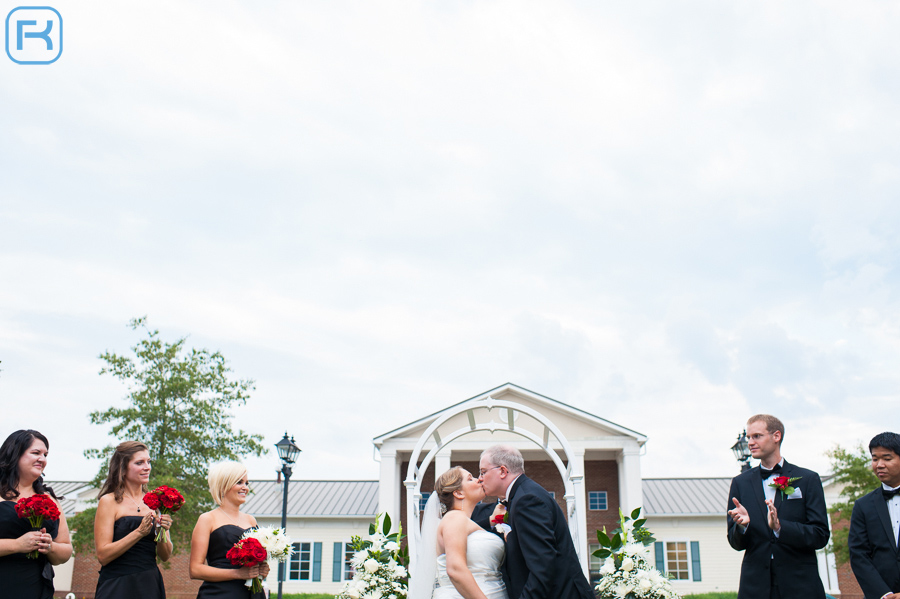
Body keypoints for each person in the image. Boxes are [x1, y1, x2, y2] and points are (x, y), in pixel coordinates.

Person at [726, 414, 829, 599]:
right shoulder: (740, 483)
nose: (750, 442)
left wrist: (781, 528)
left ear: (776, 436)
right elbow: (735, 544)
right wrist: (743, 526)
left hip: (801, 586)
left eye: (757, 436)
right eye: (749, 437)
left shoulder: (808, 479)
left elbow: (820, 535)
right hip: (755, 588)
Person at [477, 445, 594, 599]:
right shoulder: (522, 495)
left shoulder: (527, 500)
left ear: (503, 471)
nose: (479, 478)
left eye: (483, 472)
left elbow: (543, 565)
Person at [410, 466, 507, 599]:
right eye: (470, 479)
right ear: (459, 493)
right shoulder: (454, 517)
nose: (478, 479)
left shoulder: (463, 521)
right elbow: (455, 569)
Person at [94, 441, 173, 599]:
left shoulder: (156, 502)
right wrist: (138, 533)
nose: (147, 467)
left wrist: (162, 530)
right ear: (123, 468)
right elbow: (103, 555)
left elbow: (165, 556)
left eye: (148, 462)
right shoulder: (109, 501)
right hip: (117, 585)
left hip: (149, 585)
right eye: (139, 463)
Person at [0, 429, 72, 599]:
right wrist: (17, 545)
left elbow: (66, 550)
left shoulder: (49, 499)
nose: (43, 459)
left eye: (45, 454)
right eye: (36, 453)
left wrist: (49, 547)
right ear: (15, 454)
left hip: (34, 586)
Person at [190, 462, 269, 599]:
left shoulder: (251, 520)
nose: (245, 487)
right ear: (223, 485)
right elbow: (195, 570)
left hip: (253, 593)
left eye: (246, 483)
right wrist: (238, 574)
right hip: (220, 593)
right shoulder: (207, 519)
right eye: (239, 482)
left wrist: (262, 569)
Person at [848, 431, 900, 599]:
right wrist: (883, 594)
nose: (879, 464)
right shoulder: (863, 505)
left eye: (887, 458)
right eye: (875, 458)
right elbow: (858, 554)